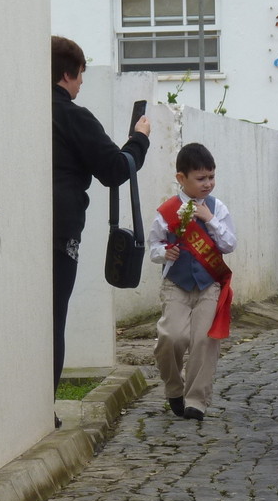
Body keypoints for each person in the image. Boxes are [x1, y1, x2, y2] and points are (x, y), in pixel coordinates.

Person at [52, 35, 151, 395]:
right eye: (79, 75)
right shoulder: (72, 115)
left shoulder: (25, 107)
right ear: (67, 74)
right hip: (60, 232)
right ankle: (42, 409)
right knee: (52, 322)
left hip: (18, 227)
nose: (80, 83)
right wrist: (140, 139)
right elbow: (114, 169)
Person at [148, 142, 236, 422]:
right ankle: (174, 387)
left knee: (203, 341)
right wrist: (165, 252)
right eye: (201, 178)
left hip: (209, 285)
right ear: (181, 178)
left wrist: (210, 220)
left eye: (211, 177)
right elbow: (153, 248)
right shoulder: (167, 211)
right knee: (172, 337)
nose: (208, 183)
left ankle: (196, 399)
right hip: (176, 284)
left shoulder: (217, 208)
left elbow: (229, 244)